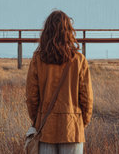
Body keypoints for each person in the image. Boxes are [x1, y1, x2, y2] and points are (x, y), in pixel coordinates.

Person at [26, 10, 93, 154]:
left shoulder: (37, 59)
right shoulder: (79, 60)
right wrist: (81, 122)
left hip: (46, 130)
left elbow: (31, 97)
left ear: (46, 32)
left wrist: (39, 120)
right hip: (73, 130)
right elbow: (87, 99)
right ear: (69, 31)